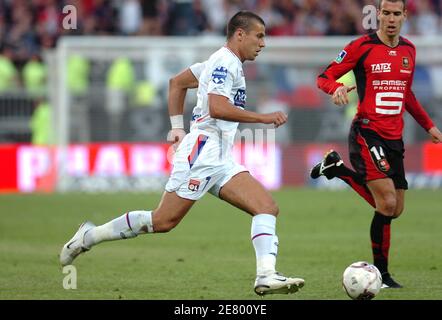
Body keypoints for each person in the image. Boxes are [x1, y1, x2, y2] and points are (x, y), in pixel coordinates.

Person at [60, 11, 305, 296]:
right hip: (203, 153)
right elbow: (217, 107)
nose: (263, 43)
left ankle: (265, 275)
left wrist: (177, 127)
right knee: (163, 221)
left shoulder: (220, 62)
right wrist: (263, 118)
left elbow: (176, 82)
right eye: (259, 35)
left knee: (266, 207)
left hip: (220, 156)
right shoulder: (224, 63)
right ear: (240, 34)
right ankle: (89, 236)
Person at [310, 0, 442, 289]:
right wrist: (337, 88)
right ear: (378, 15)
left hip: (395, 138)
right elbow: (324, 77)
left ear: (405, 16)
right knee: (386, 203)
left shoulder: (409, 49)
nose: (391, 19)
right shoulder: (361, 47)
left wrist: (429, 126)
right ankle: (382, 275)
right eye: (387, 13)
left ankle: (337, 169)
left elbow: (406, 95)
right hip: (367, 133)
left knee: (395, 210)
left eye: (397, 14)